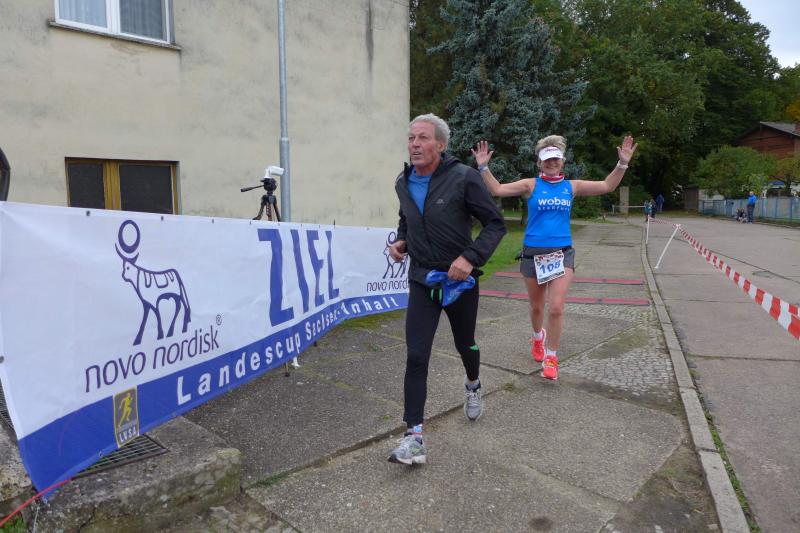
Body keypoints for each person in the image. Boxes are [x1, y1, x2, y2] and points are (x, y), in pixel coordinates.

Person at [387, 114, 506, 466]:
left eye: (423, 138)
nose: (414, 144)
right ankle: (414, 437)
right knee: (416, 355)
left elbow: (495, 224)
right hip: (422, 280)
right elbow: (407, 218)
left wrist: (470, 258)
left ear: (440, 144)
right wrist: (402, 241)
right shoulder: (403, 181)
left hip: (459, 282)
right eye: (411, 137)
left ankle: (473, 383)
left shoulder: (463, 177)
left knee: (465, 344)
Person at [473, 134, 637, 381]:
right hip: (533, 254)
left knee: (557, 307)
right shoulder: (531, 185)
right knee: (537, 306)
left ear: (562, 161)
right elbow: (497, 189)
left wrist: (622, 163)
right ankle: (537, 337)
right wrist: (484, 167)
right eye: (547, 159)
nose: (552, 163)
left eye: (556, 159)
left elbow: (607, 186)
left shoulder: (571, 186)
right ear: (540, 162)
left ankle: (551, 356)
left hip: (561, 253)